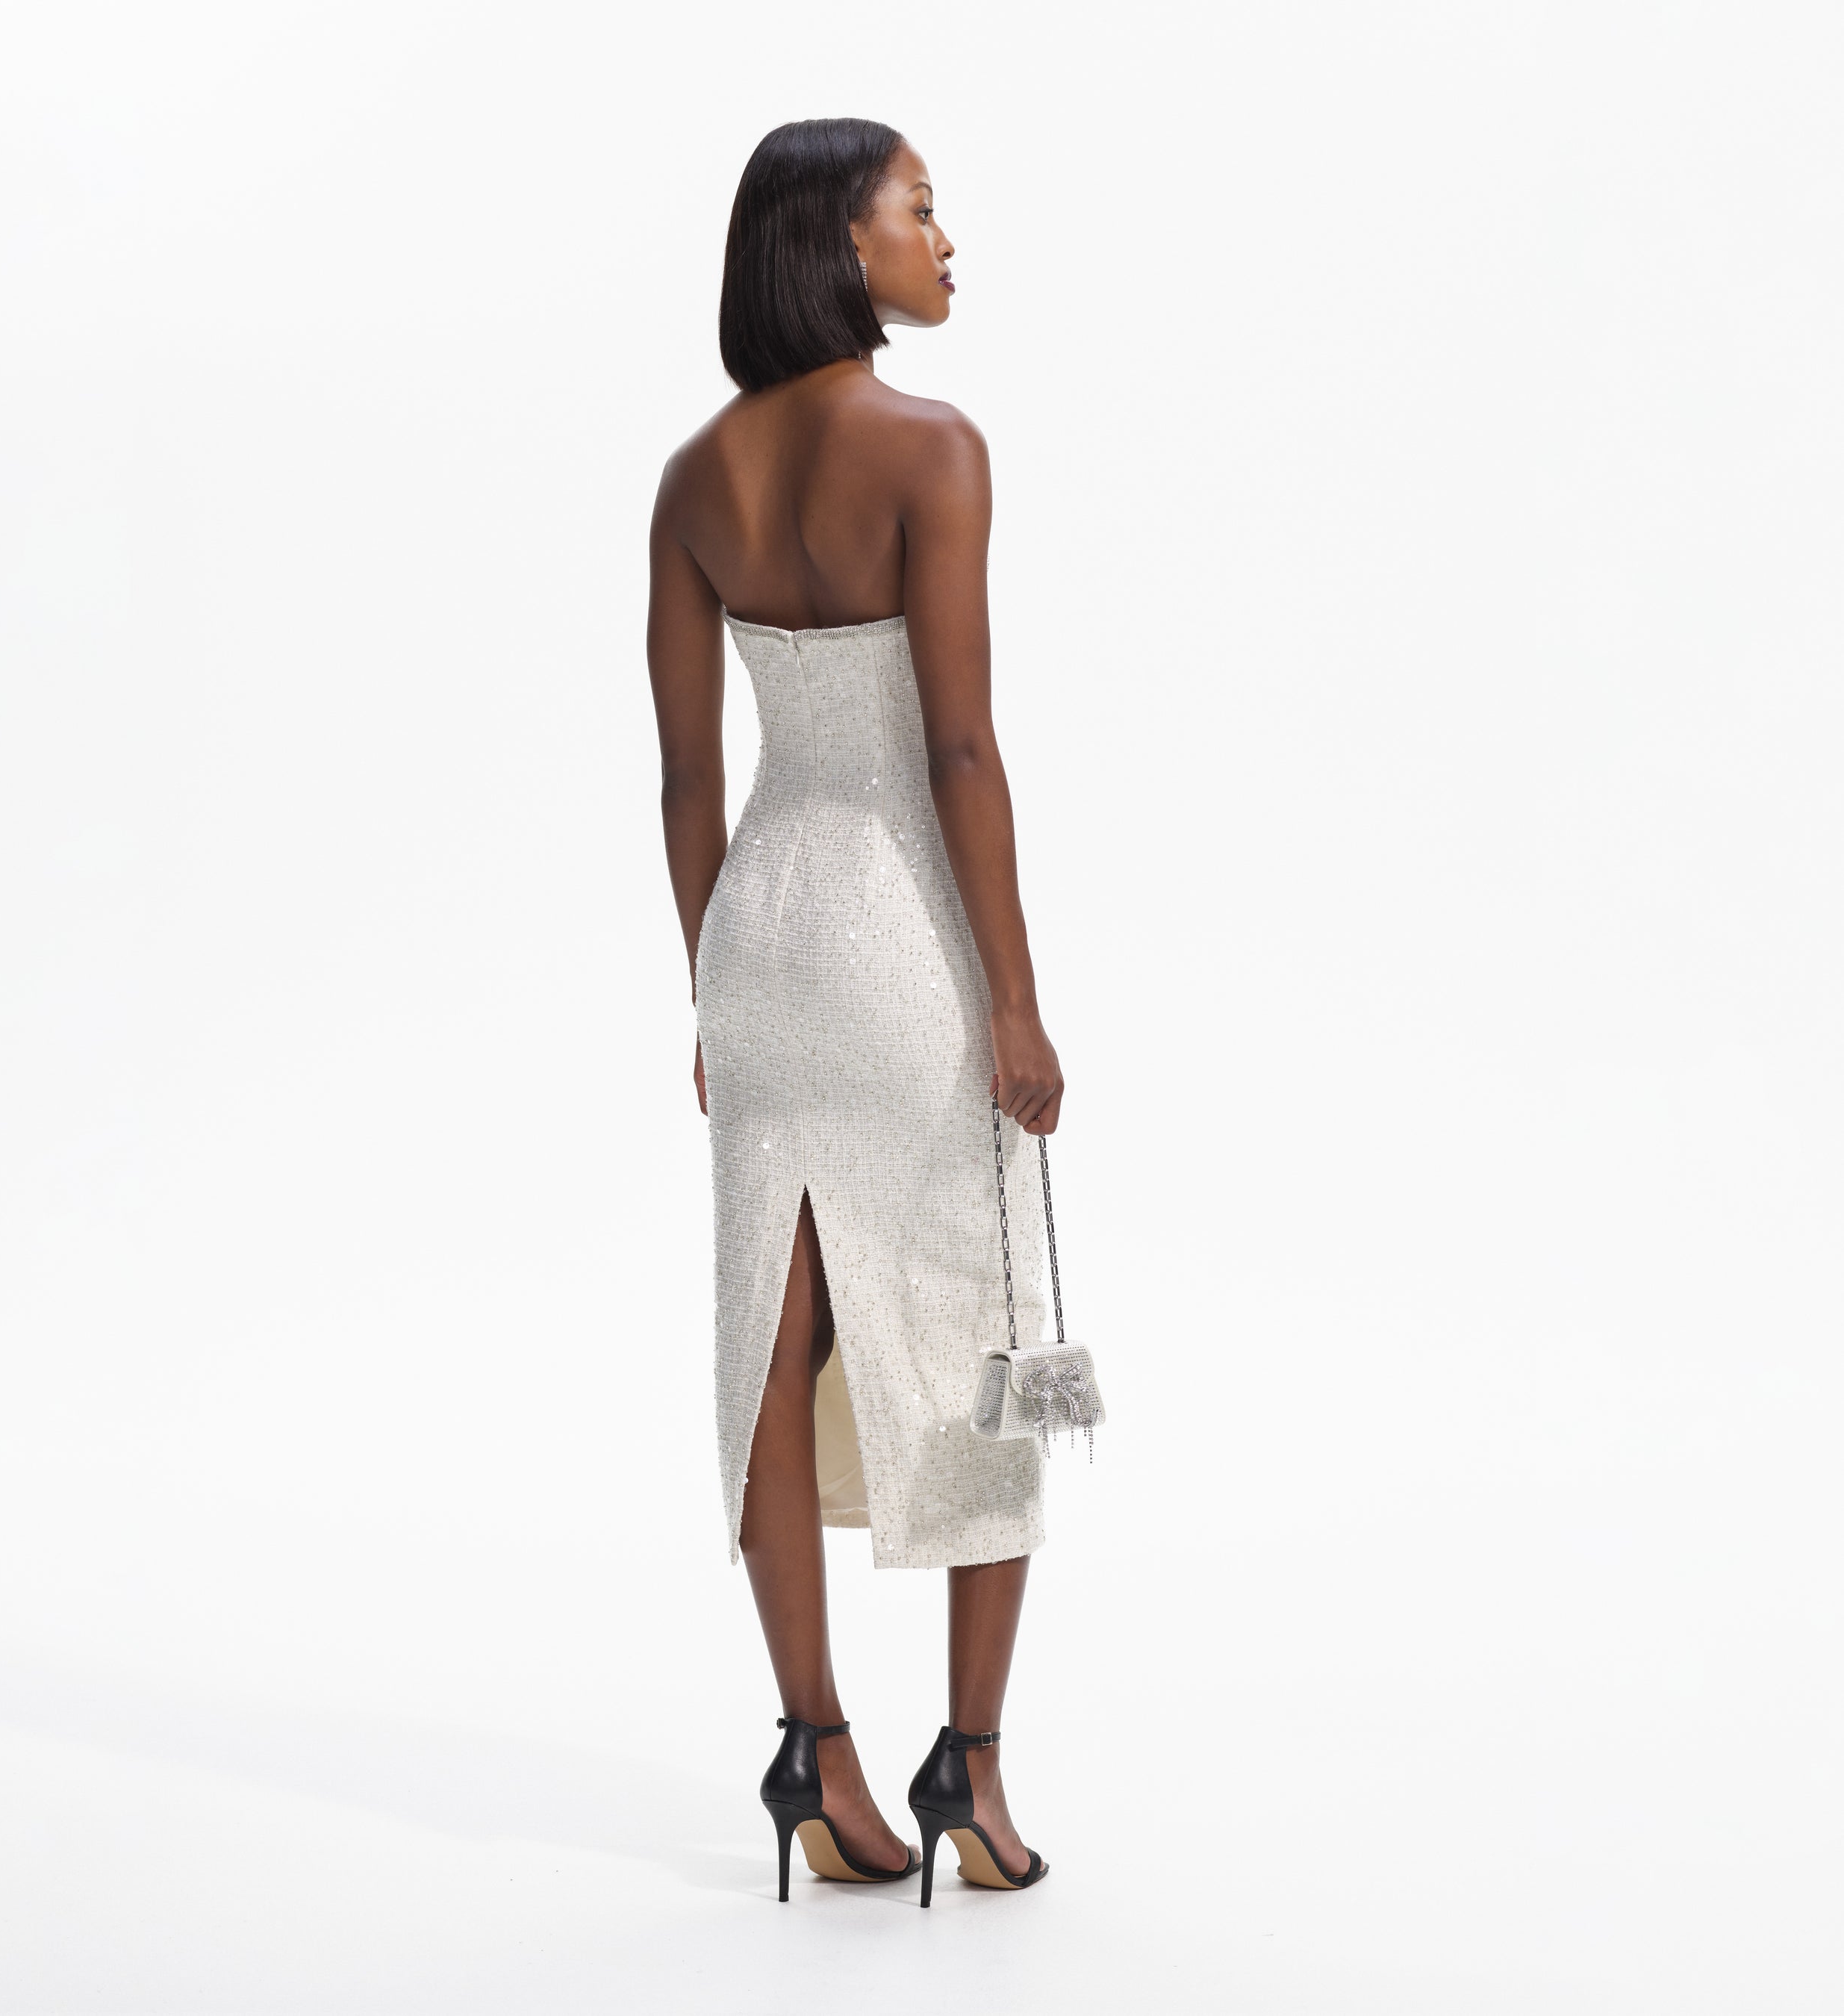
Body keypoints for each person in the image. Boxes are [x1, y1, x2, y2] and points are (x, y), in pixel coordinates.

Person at [648, 118, 1063, 1907]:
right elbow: (958, 748)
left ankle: (808, 1745)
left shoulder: (695, 478)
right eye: (920, 211)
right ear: (838, 241)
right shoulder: (932, 448)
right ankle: (969, 1766)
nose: (946, 242)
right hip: (902, 934)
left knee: (775, 1326)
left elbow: (688, 779)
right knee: (981, 1319)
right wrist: (1019, 1005)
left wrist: (709, 987)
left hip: (761, 926)